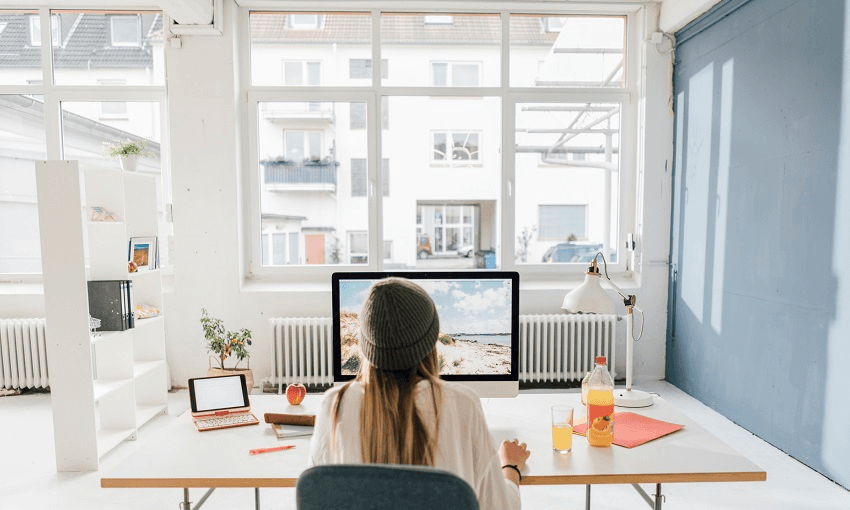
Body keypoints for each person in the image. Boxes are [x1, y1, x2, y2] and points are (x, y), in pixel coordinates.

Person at [308, 277, 531, 509]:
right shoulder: (463, 404)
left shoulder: (334, 404)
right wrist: (510, 468)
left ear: (367, 345)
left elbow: (318, 496)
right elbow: (499, 507)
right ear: (430, 342)